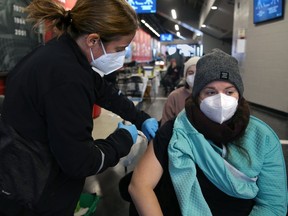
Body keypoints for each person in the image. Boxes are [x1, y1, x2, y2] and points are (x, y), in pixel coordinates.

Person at [0, 0, 158, 215]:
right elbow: (81, 162)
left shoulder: (61, 55)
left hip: (22, 174)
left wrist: (140, 118)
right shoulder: (66, 78)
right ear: (93, 40)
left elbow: (102, 90)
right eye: (119, 49)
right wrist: (123, 139)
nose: (120, 57)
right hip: (35, 193)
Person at [129, 49, 288, 216]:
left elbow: (273, 205)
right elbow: (139, 185)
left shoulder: (262, 138)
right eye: (210, 92)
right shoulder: (175, 131)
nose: (220, 100)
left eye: (229, 92)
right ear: (197, 96)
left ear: (239, 95)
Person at [161, 56, 200, 126]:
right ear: (185, 76)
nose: (194, 76)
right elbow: (165, 127)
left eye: (198, 73)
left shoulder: (209, 97)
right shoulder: (174, 97)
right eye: (190, 73)